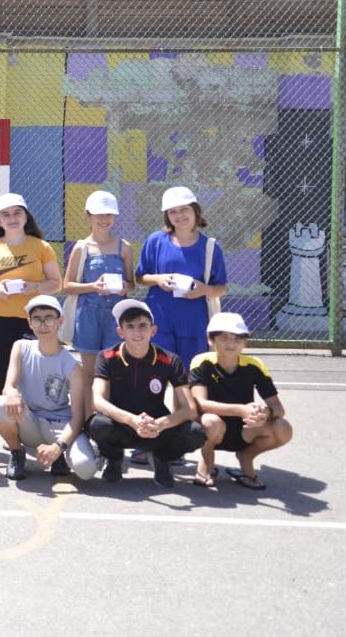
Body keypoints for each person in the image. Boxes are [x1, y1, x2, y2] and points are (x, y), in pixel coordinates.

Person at [88, 299, 207, 487]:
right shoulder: (106, 357)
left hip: (156, 429)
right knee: (97, 425)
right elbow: (97, 400)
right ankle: (114, 458)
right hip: (122, 426)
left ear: (153, 330)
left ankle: (162, 458)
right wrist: (132, 420)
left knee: (196, 433)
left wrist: (160, 424)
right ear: (120, 332)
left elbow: (189, 409)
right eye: (130, 326)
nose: (137, 332)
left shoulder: (170, 359)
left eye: (143, 326)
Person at [0, 295, 96, 482]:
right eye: (37, 319)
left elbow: (77, 417)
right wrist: (12, 393)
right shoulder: (21, 347)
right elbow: (8, 386)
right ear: (29, 323)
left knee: (86, 469)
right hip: (29, 421)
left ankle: (59, 456)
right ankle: (17, 452)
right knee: (0, 405)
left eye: (49, 318)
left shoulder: (72, 366)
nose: (43, 325)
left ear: (60, 321)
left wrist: (59, 446)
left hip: (59, 425)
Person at [0, 193, 62, 395]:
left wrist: (35, 287)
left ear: (26, 216)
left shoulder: (41, 247)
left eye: (17, 213)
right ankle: (4, 411)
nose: (12, 218)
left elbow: (56, 283)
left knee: (32, 372)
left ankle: (34, 411)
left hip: (33, 319)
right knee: (3, 372)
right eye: (6, 214)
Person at [189, 312, 292, 490]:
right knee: (210, 421)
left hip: (245, 429)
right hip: (212, 428)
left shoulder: (255, 365)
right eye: (224, 338)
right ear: (210, 339)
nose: (231, 344)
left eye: (238, 339)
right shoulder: (201, 362)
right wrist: (241, 409)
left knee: (283, 428)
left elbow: (278, 408)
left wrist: (263, 414)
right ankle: (206, 464)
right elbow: (200, 404)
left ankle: (246, 457)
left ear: (245, 342)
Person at [136, 186, 228, 366]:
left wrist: (204, 289)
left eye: (184, 209)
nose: (179, 215)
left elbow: (221, 288)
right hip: (159, 323)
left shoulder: (210, 247)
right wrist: (158, 279)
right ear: (167, 216)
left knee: (190, 375)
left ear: (195, 211)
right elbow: (140, 277)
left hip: (194, 324)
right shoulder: (155, 241)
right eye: (173, 211)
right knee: (158, 374)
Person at [61, 190, 133, 409]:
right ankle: (87, 418)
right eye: (99, 214)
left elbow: (131, 283)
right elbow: (67, 285)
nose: (104, 219)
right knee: (89, 373)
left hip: (115, 317)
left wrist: (124, 287)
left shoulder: (124, 247)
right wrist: (93, 287)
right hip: (88, 315)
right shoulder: (81, 248)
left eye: (109, 214)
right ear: (88, 216)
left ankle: (110, 417)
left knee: (113, 370)